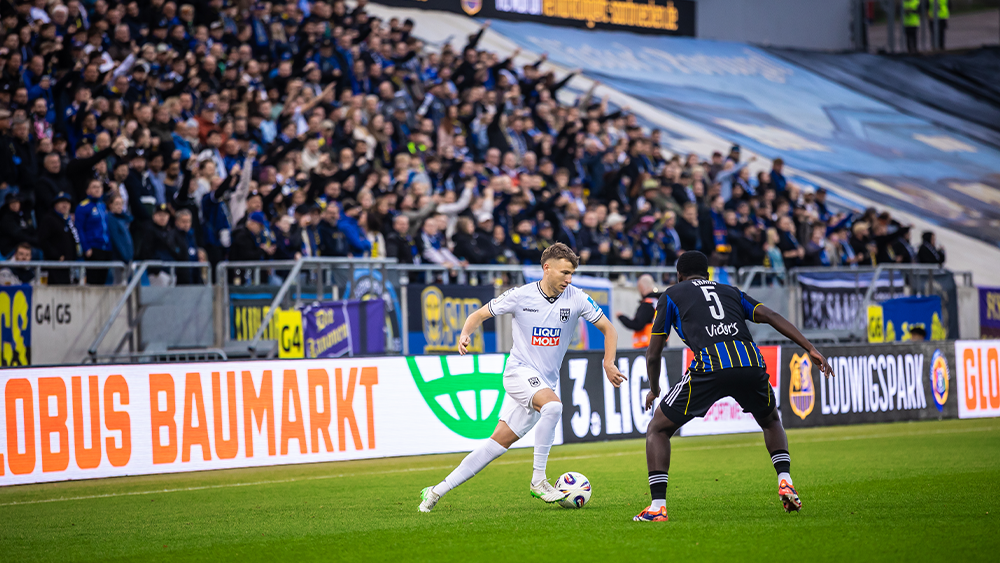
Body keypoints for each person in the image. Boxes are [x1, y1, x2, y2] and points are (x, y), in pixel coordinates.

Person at [418, 243, 626, 512]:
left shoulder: (577, 298)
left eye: (572, 273)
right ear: (546, 268)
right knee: (553, 406)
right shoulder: (520, 296)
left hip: (543, 381)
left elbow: (609, 329)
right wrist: (465, 333)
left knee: (496, 444)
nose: (569, 279)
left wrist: (608, 362)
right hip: (518, 373)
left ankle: (435, 491)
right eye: (564, 272)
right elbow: (478, 314)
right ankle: (538, 481)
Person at [636, 251, 834, 522]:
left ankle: (657, 507)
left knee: (658, 428)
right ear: (707, 275)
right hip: (751, 363)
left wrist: (655, 389)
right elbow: (771, 315)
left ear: (679, 275)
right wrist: (809, 347)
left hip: (711, 365)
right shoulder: (730, 291)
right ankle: (785, 479)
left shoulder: (671, 294)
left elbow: (653, 353)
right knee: (771, 421)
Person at [37, 192, 79, 285]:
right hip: (55, 265)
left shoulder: (68, 221)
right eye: (61, 202)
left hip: (69, 265)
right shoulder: (49, 219)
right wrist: (57, 256)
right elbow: (43, 241)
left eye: (67, 203)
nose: (65, 205)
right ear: (55, 205)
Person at [617, 274, 662, 349]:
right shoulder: (660, 301)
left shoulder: (647, 304)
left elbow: (638, 325)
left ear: (641, 287)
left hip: (646, 346)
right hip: (661, 344)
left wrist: (621, 317)